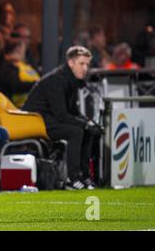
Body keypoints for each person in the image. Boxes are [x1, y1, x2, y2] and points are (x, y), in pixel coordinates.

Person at [22, 46, 103, 190]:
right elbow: (62, 114)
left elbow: (73, 112)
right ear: (71, 63)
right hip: (37, 120)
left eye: (87, 64)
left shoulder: (70, 80)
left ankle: (85, 176)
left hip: (50, 119)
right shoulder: (57, 80)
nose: (85, 68)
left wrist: (89, 123)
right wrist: (85, 124)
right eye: (81, 64)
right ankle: (73, 178)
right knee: (76, 131)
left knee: (89, 129)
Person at [0, 39, 40, 108]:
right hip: (13, 107)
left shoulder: (25, 65)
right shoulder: (7, 67)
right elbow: (14, 85)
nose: (23, 53)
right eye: (22, 50)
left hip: (30, 105)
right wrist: (35, 84)